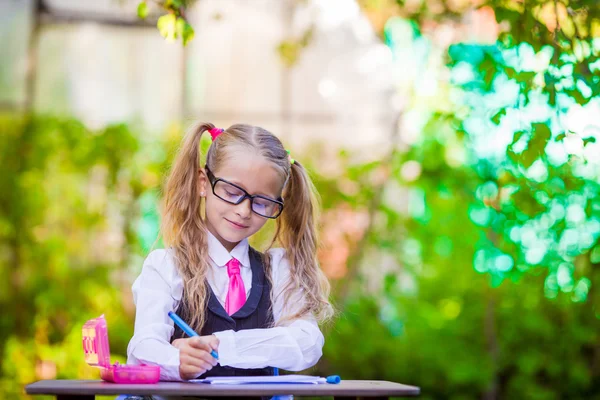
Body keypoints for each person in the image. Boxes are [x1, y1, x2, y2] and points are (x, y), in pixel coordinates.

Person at [127, 122, 334, 382]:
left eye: (261, 202)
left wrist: (222, 346)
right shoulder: (166, 267)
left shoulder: (279, 270)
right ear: (204, 183)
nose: (243, 211)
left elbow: (307, 342)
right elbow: (143, 347)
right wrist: (175, 360)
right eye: (232, 192)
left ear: (275, 206)